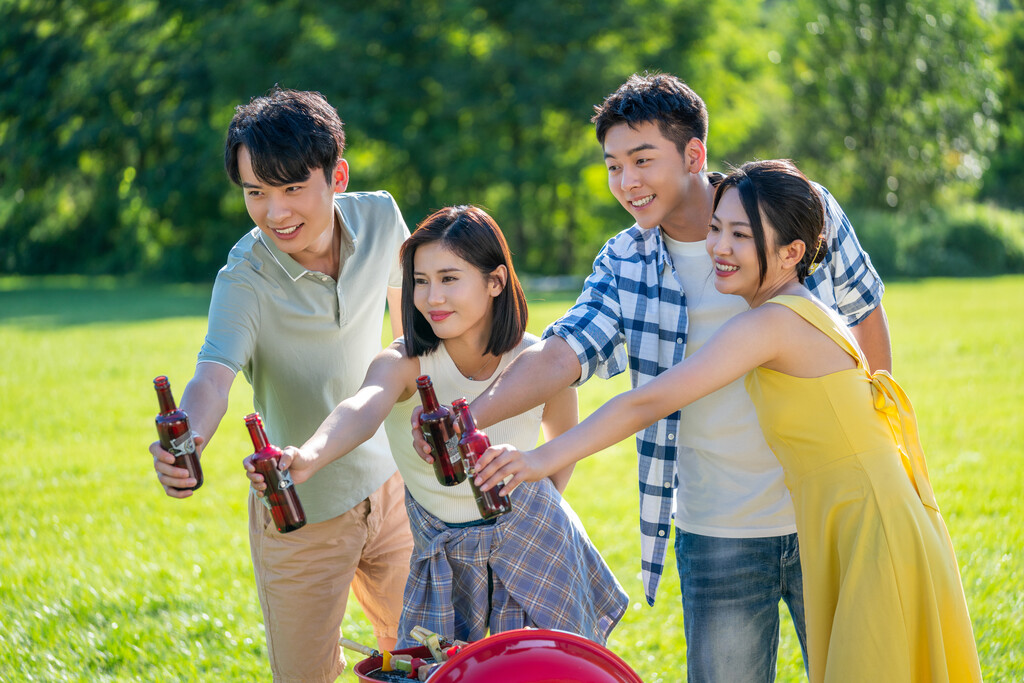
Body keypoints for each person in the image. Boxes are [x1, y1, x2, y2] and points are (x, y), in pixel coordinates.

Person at [413, 73, 891, 681]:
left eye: (642, 160)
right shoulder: (624, 259)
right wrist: (468, 416)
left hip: (832, 511)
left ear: (694, 154)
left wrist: (882, 441)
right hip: (720, 526)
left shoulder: (793, 206)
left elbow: (864, 307)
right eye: (613, 166)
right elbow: (565, 353)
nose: (626, 182)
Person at [475, 159, 983, 682]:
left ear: (791, 253)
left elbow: (648, 402)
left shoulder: (772, 322)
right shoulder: (791, 310)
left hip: (868, 525)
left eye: (741, 234)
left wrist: (538, 459)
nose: (718, 247)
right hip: (863, 515)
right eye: (717, 228)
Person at [247, 205, 627, 647]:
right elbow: (362, 407)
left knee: (541, 669)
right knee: (438, 670)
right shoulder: (404, 361)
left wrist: (523, 519)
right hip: (441, 552)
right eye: (420, 282)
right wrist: (307, 457)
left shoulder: (541, 360)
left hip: (534, 539)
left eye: (449, 278)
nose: (432, 298)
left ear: (496, 281)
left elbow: (562, 448)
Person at [148, 87, 414, 683]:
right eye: (256, 193)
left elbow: (409, 334)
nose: (276, 212)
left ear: (336, 175)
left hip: (394, 487)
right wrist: (185, 439)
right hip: (299, 512)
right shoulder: (243, 280)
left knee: (425, 659)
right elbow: (212, 380)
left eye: (292, 187)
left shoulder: (380, 218)